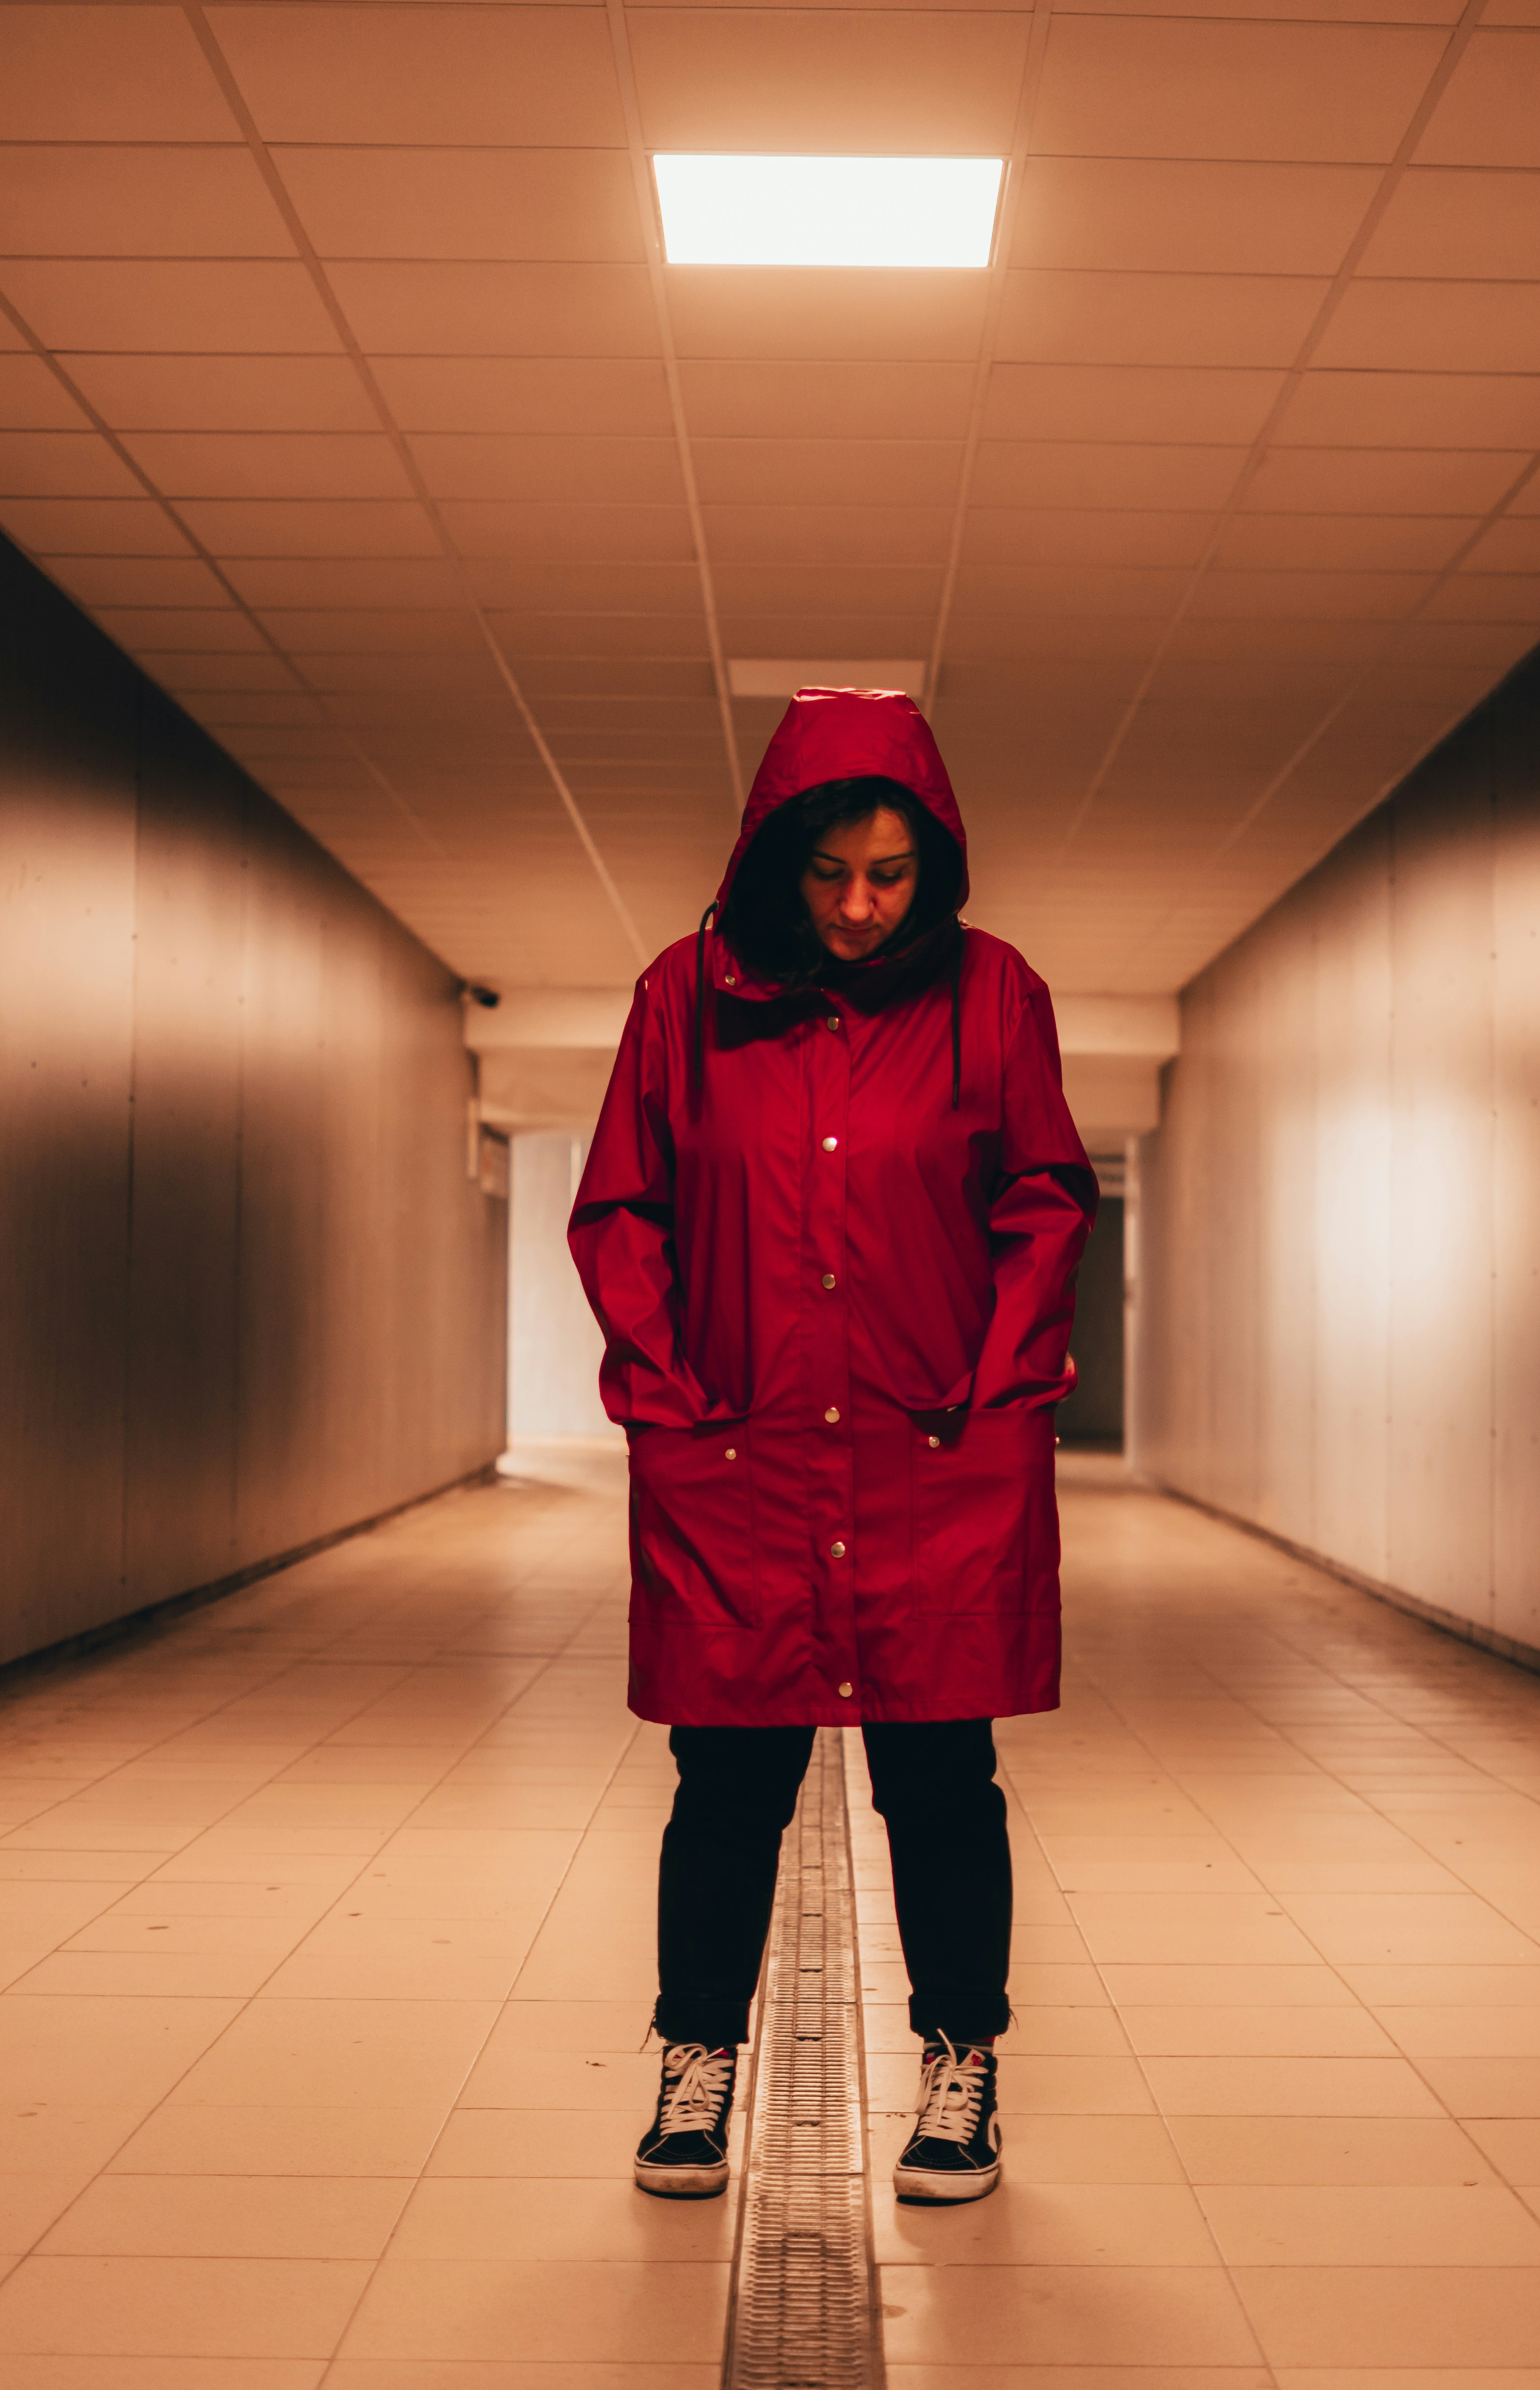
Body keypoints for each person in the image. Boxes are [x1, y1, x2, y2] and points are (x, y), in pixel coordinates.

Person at [569, 688, 1094, 2208]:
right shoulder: (683, 1000)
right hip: (741, 1461)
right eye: (829, 874)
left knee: (943, 1776)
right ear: (773, 859)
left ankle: (961, 2064)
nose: (862, 908)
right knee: (726, 1779)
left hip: (935, 1457)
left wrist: (1002, 1390)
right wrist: (666, 1395)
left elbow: (1043, 1202)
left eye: (892, 876)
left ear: (937, 867)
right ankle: (694, 2063)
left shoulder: (996, 996)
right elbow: (624, 1207)